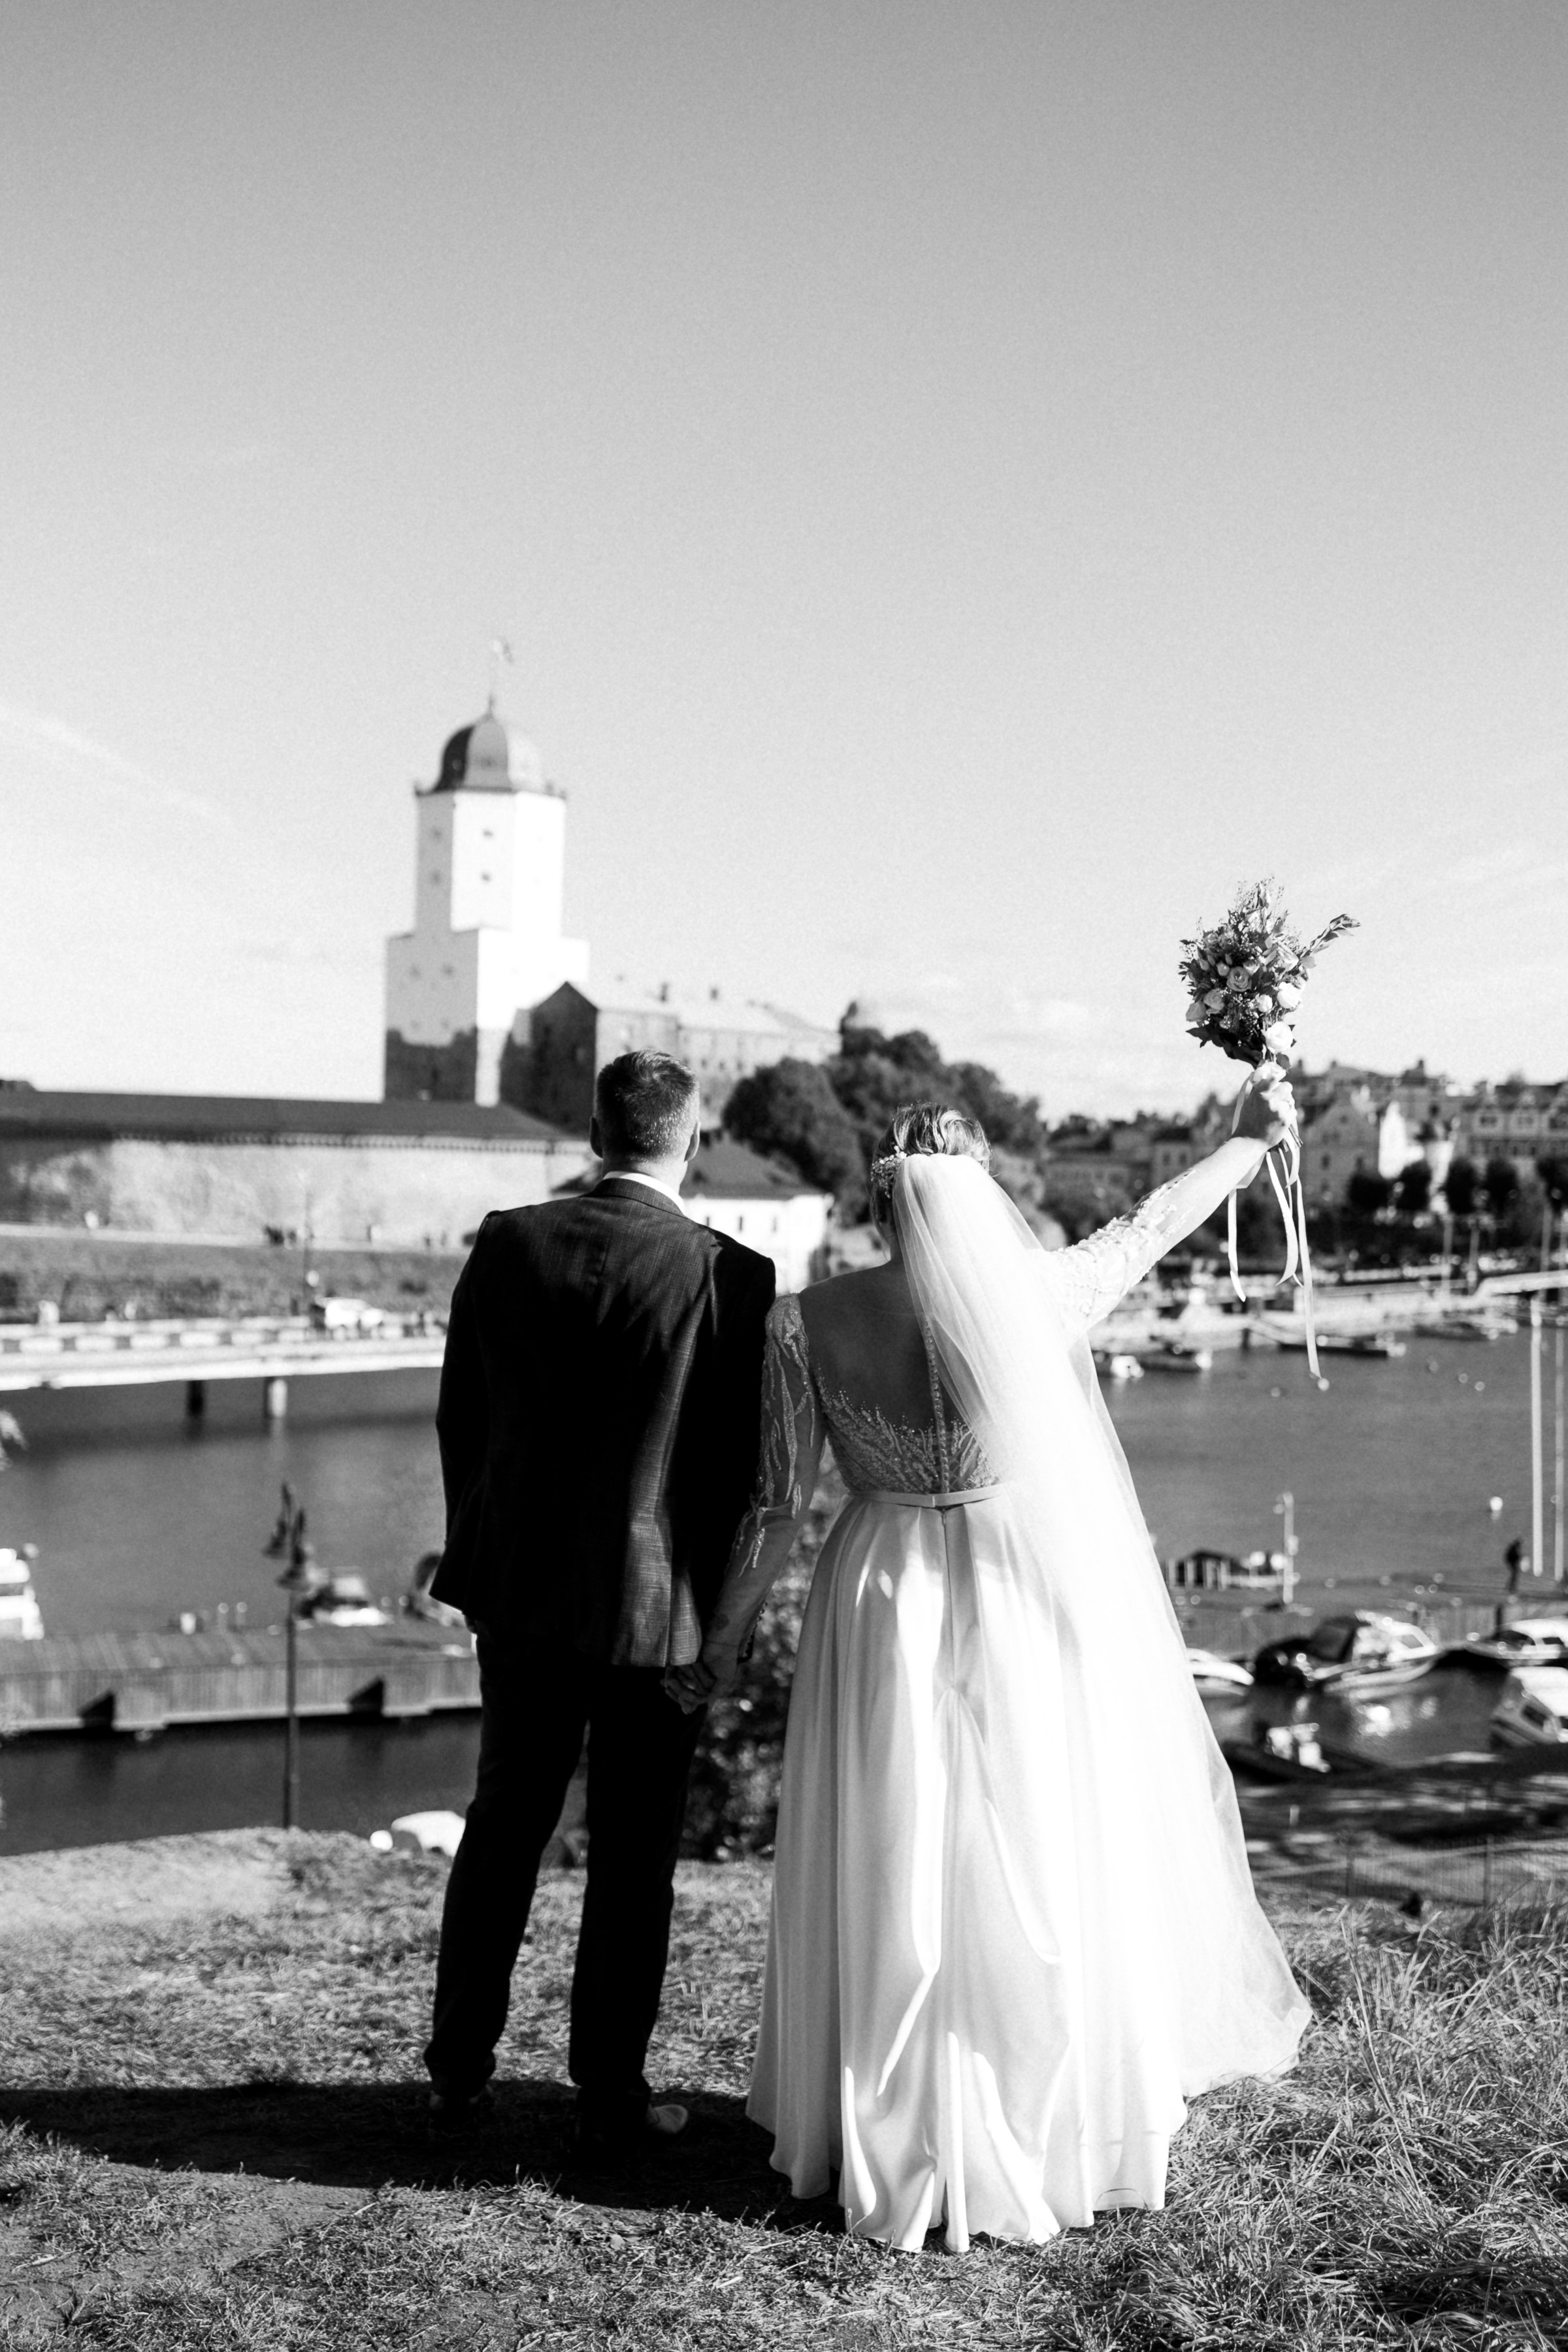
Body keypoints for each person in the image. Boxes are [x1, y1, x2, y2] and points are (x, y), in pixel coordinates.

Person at [669, 1078, 1310, 2249]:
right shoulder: (1041, 1294)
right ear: (983, 1192)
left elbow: (771, 1511)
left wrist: (716, 1645)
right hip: (1017, 1585)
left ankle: (881, 2118)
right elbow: (1153, 1223)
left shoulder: (804, 1322)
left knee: (895, 1836)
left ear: (880, 1196)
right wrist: (1244, 1147)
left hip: (882, 1591)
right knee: (1030, 1836)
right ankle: (1049, 2113)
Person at [424, 1049, 776, 2156]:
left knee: (502, 1826)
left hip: (519, 1591)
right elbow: (732, 1474)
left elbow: (460, 1420)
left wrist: (483, 1552)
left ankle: (457, 2072)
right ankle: (610, 2090)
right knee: (633, 1859)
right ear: (694, 1133)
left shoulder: (508, 1240)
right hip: (653, 1612)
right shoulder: (732, 1272)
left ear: (594, 1130)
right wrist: (720, 1623)